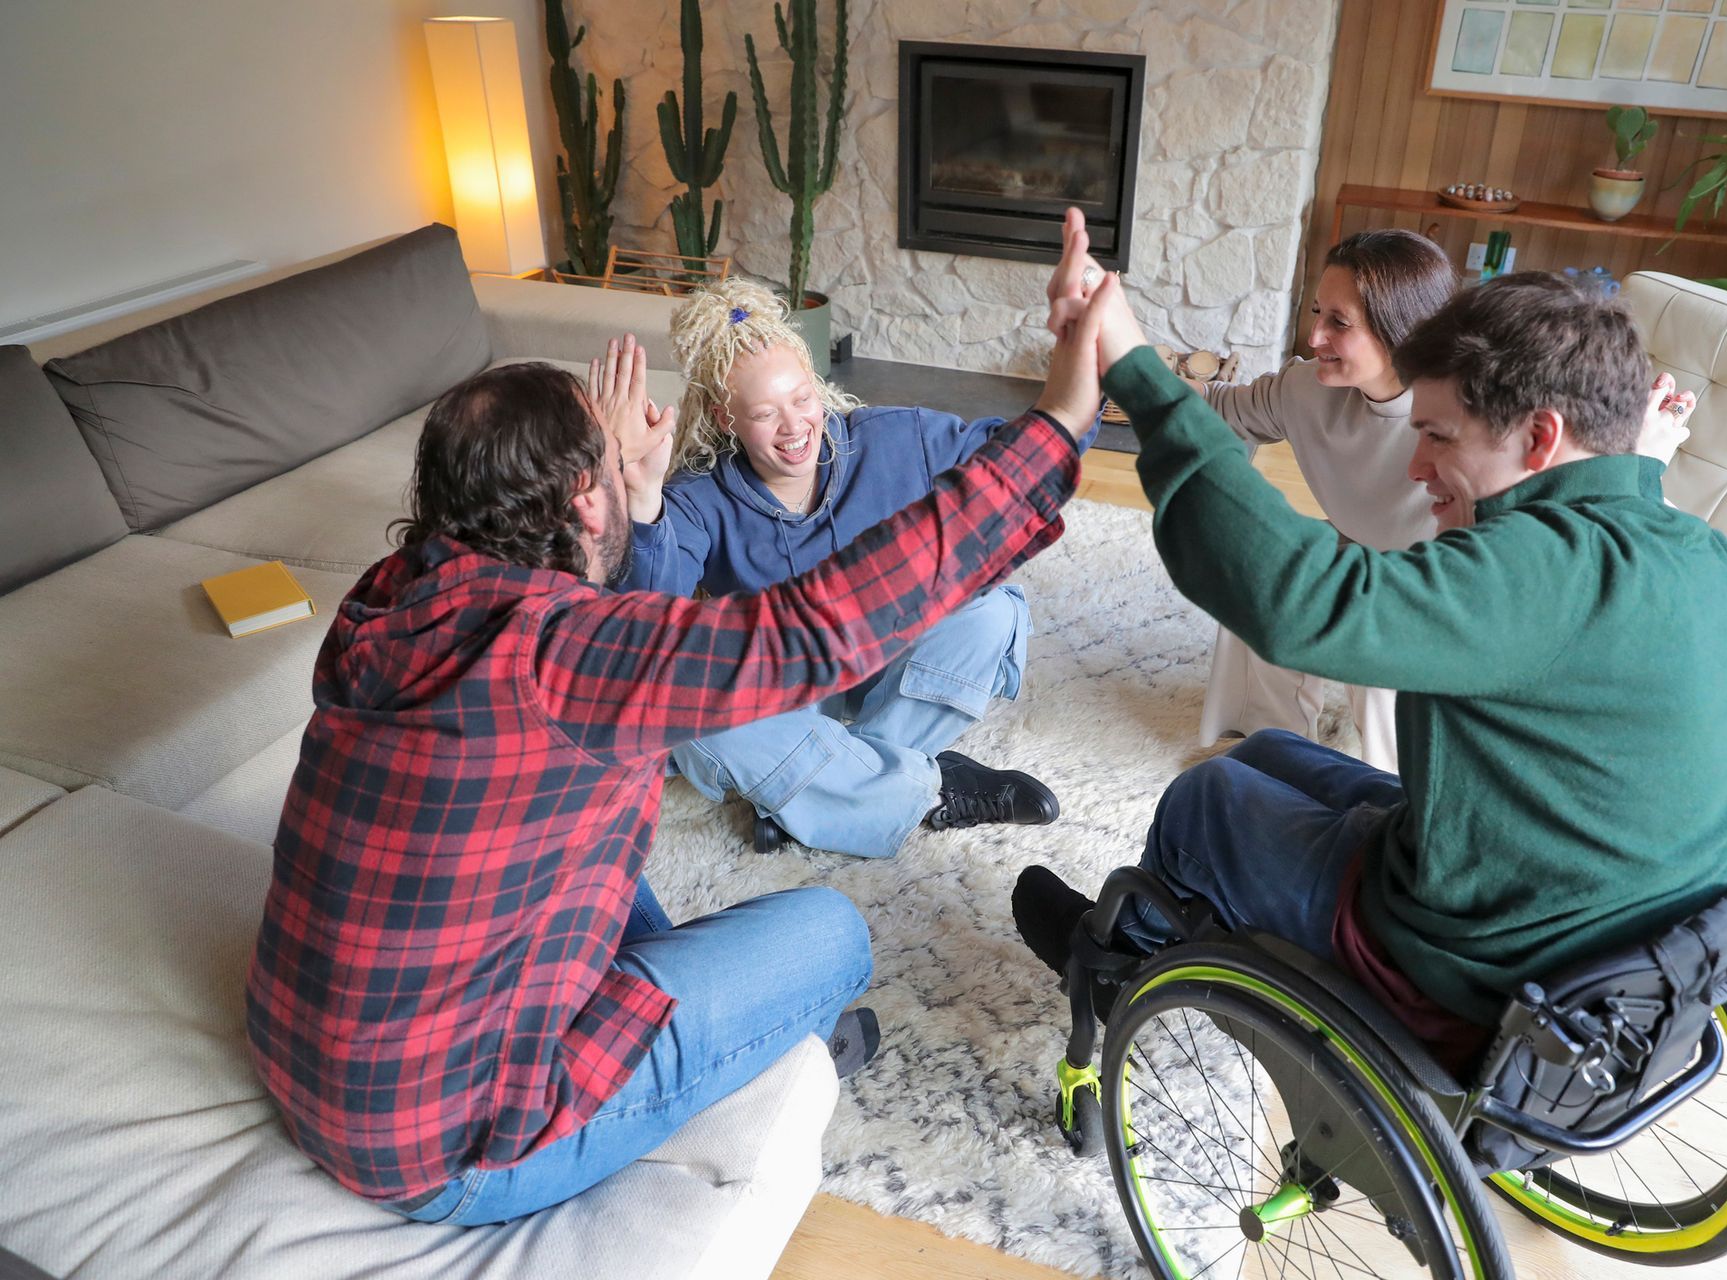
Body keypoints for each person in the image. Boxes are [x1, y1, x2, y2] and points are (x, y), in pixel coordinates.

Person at [244, 259, 1106, 1223]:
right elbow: (814, 629)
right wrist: (1063, 416)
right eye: (615, 461)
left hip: (308, 1067)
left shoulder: (383, 598)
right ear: (583, 502)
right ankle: (767, 1070)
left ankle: (734, 1017)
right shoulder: (564, 655)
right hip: (460, 1148)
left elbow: (611, 648)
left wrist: (634, 489)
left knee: (614, 866)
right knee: (828, 935)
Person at [1014, 264, 1727, 1069]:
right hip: (1615, 924)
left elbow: (1300, 598)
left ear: (1541, 437)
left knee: (1209, 796)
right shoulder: (1695, 548)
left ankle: (1117, 975)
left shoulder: (1535, 575)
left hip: (1486, 970)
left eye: (1438, 436)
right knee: (1264, 754)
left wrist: (1134, 366)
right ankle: (1174, 939)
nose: (1416, 466)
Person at [615, 272, 1099, 858]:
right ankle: (932, 788)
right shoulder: (699, 496)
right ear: (726, 420)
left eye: (801, 399)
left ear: (817, 387)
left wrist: (1085, 369)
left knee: (992, 610)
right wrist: (642, 498)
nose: (795, 428)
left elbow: (1023, 459)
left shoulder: (896, 439)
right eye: (766, 414)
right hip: (787, 688)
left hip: (889, 656)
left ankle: (816, 794)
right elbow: (643, 617)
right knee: (683, 707)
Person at [1193, 230, 1456, 771]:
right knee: (1259, 569)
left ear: (1401, 330)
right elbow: (1219, 407)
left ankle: (1395, 796)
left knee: (1386, 646)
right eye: (1317, 312)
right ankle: (1269, 750)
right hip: (1354, 549)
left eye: (1338, 322)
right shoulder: (1306, 388)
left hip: (1437, 584)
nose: (1313, 335)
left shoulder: (1473, 413)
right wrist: (1120, 364)